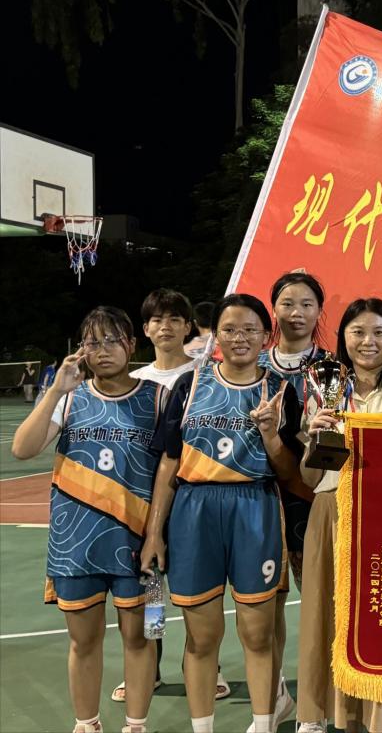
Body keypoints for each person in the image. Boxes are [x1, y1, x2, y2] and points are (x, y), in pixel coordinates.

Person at [139, 294, 304, 733]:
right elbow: (169, 463)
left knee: (258, 634)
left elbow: (290, 472)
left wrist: (270, 436)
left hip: (256, 509)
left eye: (250, 329)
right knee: (202, 636)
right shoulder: (190, 385)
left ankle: (264, 723)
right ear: (215, 336)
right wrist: (154, 533)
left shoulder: (281, 391)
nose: (240, 338)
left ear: (266, 335)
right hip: (194, 513)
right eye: (230, 329)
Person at [12, 307, 162, 733]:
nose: (103, 350)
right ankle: (86, 724)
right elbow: (22, 449)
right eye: (93, 342)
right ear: (82, 350)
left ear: (131, 345)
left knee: (147, 634)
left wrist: (159, 535)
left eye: (112, 340)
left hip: (144, 547)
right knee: (82, 640)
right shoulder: (70, 398)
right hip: (74, 546)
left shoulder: (159, 398)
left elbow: (172, 470)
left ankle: (136, 725)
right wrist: (55, 390)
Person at [296, 297, 382, 733]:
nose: (368, 342)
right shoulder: (326, 392)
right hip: (332, 512)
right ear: (343, 339)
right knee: (329, 617)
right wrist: (314, 436)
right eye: (358, 332)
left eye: (379, 332)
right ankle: (326, 715)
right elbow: (310, 478)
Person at [110, 289, 233, 705]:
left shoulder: (207, 376)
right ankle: (151, 667)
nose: (165, 326)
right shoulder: (135, 381)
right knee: (152, 592)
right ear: (145, 330)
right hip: (142, 504)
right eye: (157, 320)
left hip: (193, 503)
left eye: (174, 319)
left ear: (188, 327)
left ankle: (209, 667)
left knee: (202, 592)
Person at [259, 271, 331, 730]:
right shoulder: (253, 365)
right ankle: (273, 698)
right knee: (264, 609)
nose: (297, 313)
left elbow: (334, 444)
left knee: (316, 607)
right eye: (287, 303)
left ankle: (315, 707)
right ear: (274, 309)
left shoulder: (332, 370)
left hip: (310, 499)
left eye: (307, 304)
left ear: (319, 311)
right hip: (257, 501)